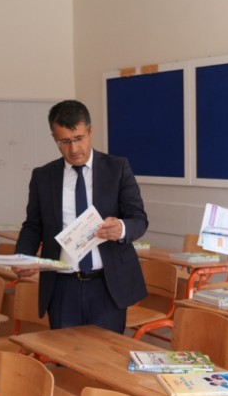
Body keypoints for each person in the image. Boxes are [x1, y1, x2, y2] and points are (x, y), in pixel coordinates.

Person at [12, 100, 148, 334]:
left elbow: (139, 219)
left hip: (108, 285)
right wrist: (23, 256)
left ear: (90, 131)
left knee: (106, 353)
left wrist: (122, 228)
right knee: (64, 352)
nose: (74, 149)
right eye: (64, 142)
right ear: (54, 138)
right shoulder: (43, 176)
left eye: (79, 138)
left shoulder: (117, 168)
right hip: (62, 286)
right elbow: (33, 226)